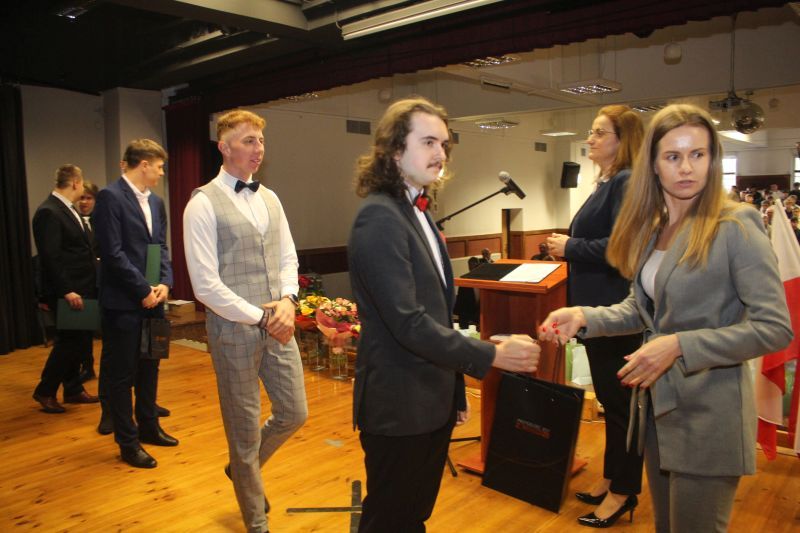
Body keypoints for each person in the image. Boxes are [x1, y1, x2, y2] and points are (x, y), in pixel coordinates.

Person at [539, 104, 792, 532]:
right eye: (673, 156)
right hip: (658, 411)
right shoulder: (656, 227)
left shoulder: (736, 225)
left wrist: (679, 346)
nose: (686, 168)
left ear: (712, 160)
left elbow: (775, 328)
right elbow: (642, 309)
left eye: (698, 154)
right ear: (653, 164)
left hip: (708, 413)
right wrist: (583, 316)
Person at [348, 96, 540, 533]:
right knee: (388, 522)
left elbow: (438, 318)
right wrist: (491, 355)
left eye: (444, 144)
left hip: (429, 399)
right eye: (428, 142)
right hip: (399, 405)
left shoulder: (419, 212)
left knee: (413, 517)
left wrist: (453, 392)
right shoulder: (379, 217)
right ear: (395, 149)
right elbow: (408, 323)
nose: (440, 153)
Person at [183, 109, 308, 533]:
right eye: (249, 140)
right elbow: (205, 285)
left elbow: (288, 256)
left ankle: (241, 469)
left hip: (278, 323)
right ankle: (256, 521)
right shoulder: (202, 203)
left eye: (261, 141)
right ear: (224, 146)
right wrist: (262, 317)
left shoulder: (270, 197)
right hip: (233, 330)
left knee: (294, 412)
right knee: (244, 428)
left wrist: (288, 300)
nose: (259, 149)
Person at [545, 105, 645, 527]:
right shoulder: (608, 182)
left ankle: (623, 492)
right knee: (610, 402)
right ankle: (610, 478)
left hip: (613, 312)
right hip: (597, 312)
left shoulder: (625, 181)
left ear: (623, 141)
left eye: (599, 132)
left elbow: (623, 247)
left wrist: (569, 247)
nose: (590, 138)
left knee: (621, 407)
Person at [94, 139, 177, 469]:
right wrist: (142, 288)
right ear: (143, 164)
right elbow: (112, 253)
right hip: (124, 302)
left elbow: (162, 247)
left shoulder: (156, 202)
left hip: (154, 299)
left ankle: (149, 427)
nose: (161, 172)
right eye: (159, 166)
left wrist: (165, 282)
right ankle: (127, 442)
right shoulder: (110, 197)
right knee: (121, 375)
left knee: (150, 364)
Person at [31, 164, 100, 413]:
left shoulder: (67, 210)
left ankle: (72, 389)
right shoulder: (49, 211)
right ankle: (45, 390)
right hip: (68, 291)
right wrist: (67, 290)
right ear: (75, 182)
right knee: (69, 342)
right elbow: (51, 257)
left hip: (82, 287)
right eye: (81, 184)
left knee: (78, 341)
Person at [75, 180, 99, 383]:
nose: (84, 202)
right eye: (81, 198)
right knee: (82, 330)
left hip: (102, 281)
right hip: (83, 283)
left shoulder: (101, 220)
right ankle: (86, 366)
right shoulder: (73, 220)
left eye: (88, 198)